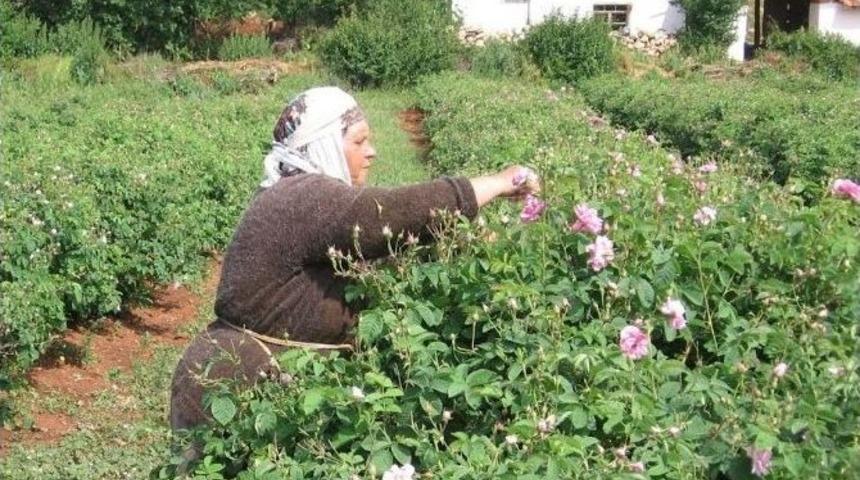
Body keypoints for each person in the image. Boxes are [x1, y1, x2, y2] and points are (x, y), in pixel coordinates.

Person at [168, 86, 539, 432]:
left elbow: (377, 253)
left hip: (251, 385)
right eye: (359, 141)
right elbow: (385, 215)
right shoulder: (301, 197)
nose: (372, 151)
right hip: (237, 394)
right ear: (324, 145)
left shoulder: (295, 195)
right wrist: (498, 182)